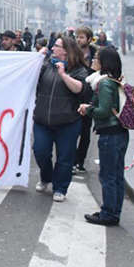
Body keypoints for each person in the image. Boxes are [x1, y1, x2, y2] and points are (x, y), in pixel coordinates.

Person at [33, 37, 88, 203]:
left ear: (65, 50)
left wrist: (63, 74)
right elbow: (31, 75)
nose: (52, 48)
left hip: (67, 121)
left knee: (65, 156)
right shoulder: (46, 65)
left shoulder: (78, 69)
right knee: (40, 151)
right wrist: (37, 58)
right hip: (43, 119)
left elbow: (80, 89)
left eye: (56, 46)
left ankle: (60, 187)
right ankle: (46, 177)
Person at [79, 47, 128, 226]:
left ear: (104, 62)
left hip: (110, 134)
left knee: (108, 175)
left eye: (96, 58)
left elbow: (103, 111)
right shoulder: (114, 80)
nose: (92, 60)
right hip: (120, 134)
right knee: (117, 175)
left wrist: (87, 109)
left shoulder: (105, 83)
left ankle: (108, 213)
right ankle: (114, 212)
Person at [73, 27, 97, 174]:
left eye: (81, 37)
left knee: (85, 133)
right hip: (74, 97)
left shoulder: (96, 54)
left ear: (89, 39)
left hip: (90, 97)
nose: (78, 40)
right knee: (71, 131)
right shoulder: (72, 53)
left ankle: (80, 161)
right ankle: (71, 161)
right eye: (77, 37)